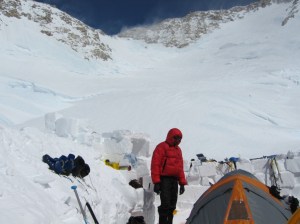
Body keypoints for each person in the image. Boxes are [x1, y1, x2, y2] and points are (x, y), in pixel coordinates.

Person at [151, 128, 187, 224]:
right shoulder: (161, 147)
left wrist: (182, 183)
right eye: (176, 138)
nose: (178, 140)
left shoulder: (178, 150)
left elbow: (180, 167)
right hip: (164, 179)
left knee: (172, 205)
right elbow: (155, 164)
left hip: (174, 180)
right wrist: (157, 182)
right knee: (165, 205)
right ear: (171, 137)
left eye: (180, 139)